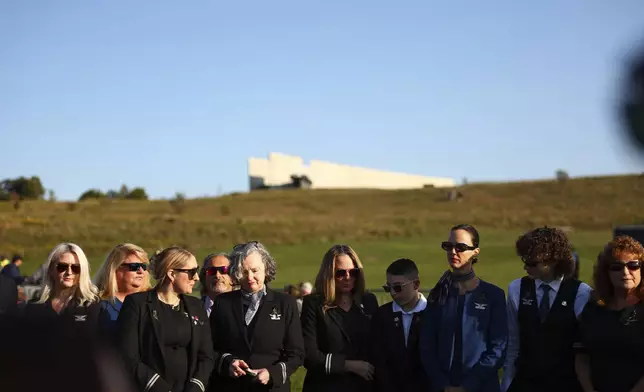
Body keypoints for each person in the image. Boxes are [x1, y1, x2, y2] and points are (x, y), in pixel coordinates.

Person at [501, 227, 592, 392]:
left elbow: (587, 346)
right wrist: (507, 382)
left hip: (566, 384)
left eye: (532, 263)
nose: (525, 267)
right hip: (526, 383)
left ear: (553, 260)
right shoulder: (516, 289)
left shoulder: (581, 292)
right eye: (524, 261)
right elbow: (513, 342)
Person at [420, 224, 508, 392]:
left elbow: (498, 349)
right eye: (448, 246)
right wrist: (443, 384)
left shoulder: (493, 295)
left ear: (475, 252)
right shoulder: (438, 295)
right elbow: (427, 347)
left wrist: (468, 385)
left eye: (460, 247)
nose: (453, 252)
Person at [208, 241, 304, 392]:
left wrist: (272, 373)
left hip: (272, 388)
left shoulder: (285, 303)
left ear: (266, 269)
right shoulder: (223, 303)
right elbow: (209, 348)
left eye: (255, 270)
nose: (250, 277)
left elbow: (296, 354)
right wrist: (228, 362)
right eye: (244, 272)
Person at [117, 247, 214, 392]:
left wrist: (195, 387)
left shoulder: (196, 306)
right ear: (172, 274)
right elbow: (128, 356)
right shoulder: (137, 304)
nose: (196, 278)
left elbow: (206, 355)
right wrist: (159, 388)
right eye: (191, 272)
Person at [300, 244, 379, 392]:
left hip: (363, 386)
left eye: (353, 272)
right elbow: (309, 356)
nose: (347, 278)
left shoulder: (368, 301)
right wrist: (349, 365)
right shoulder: (314, 304)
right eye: (340, 273)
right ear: (329, 274)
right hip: (326, 386)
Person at [575, 235, 644, 392]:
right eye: (617, 267)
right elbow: (581, 356)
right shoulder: (594, 309)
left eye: (633, 265)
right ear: (606, 272)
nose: (626, 272)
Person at [371, 258, 428, 392]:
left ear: (416, 284)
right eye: (388, 288)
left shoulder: (435, 315)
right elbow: (378, 360)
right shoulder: (381, 316)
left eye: (398, 287)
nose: (392, 293)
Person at [23, 243, 101, 332]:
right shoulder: (34, 306)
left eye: (76, 268)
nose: (69, 272)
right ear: (51, 270)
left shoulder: (92, 305)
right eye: (62, 267)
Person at [93, 243, 152, 340]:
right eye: (134, 266)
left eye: (144, 266)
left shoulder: (153, 302)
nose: (141, 271)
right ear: (115, 269)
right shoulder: (97, 304)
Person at [199, 252, 235, 318]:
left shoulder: (243, 307)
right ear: (204, 277)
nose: (217, 275)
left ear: (234, 276)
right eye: (212, 271)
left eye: (223, 270)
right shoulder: (194, 308)